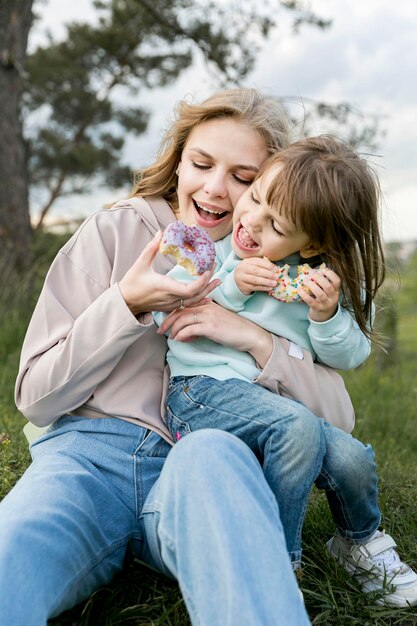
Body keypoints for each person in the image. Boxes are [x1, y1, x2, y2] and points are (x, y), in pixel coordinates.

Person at [0, 88, 313, 626]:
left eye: (243, 178)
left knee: (213, 454)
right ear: (178, 160)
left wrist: (252, 337)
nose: (216, 189)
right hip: (87, 462)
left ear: (271, 190)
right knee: (12, 557)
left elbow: (336, 414)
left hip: (206, 466)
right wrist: (127, 303)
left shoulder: (281, 272)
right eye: (201, 163)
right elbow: (35, 396)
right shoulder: (115, 231)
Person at [154, 136, 417, 607]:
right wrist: (230, 287)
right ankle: (275, 563)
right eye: (254, 197)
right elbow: (164, 309)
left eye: (276, 224)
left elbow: (348, 356)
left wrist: (325, 316)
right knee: (297, 426)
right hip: (202, 391)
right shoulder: (218, 254)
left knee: (352, 459)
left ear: (311, 243)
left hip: (275, 400)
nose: (251, 222)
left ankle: (357, 542)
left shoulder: (316, 284)